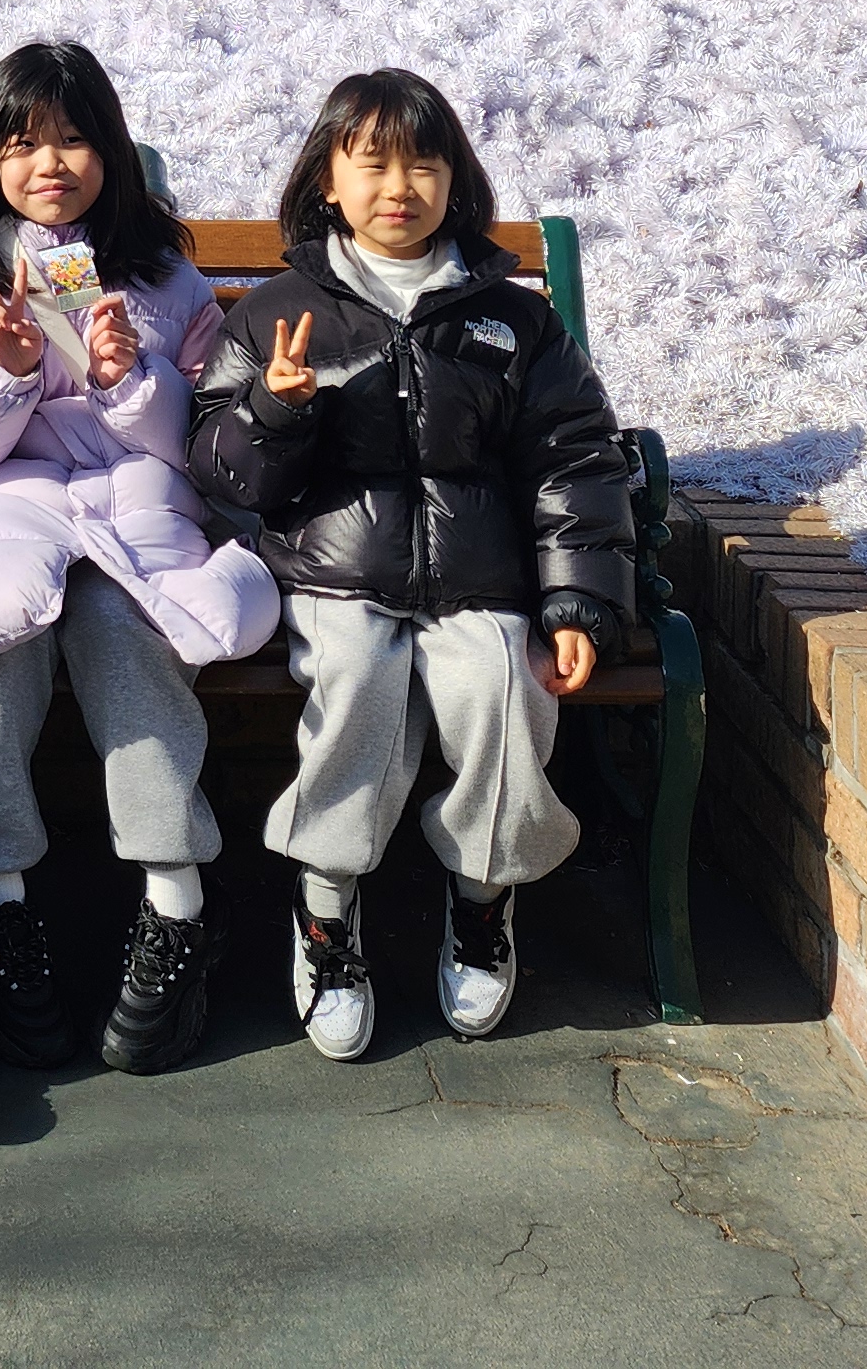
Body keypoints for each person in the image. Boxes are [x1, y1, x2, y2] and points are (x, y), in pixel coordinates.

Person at [192, 69, 638, 1059]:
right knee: (355, 683)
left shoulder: (511, 318)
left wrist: (576, 602)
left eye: (424, 165)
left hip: (481, 582)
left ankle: (482, 900)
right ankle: (324, 909)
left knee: (503, 693)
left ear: (455, 182)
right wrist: (273, 410)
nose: (399, 187)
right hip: (334, 577)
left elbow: (575, 459)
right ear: (329, 180)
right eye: (373, 164)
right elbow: (219, 467)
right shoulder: (277, 312)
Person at [0, 44, 272, 1077]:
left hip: (138, 524)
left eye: (72, 138)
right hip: (0, 522)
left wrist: (128, 382)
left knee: (121, 636)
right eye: (21, 143)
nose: (49, 163)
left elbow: (211, 448)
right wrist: (0, 377)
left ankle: (177, 902)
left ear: (112, 151)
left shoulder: (165, 284)